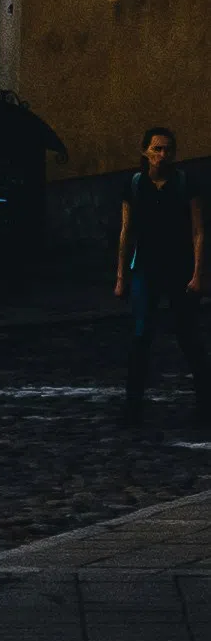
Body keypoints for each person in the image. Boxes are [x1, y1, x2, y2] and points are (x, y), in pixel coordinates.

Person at [114, 125, 207, 422]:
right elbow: (126, 232)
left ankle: (205, 404)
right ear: (145, 151)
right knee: (141, 336)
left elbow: (198, 230)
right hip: (146, 269)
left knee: (188, 336)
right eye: (157, 149)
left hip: (179, 270)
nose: (162, 155)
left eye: (167, 149)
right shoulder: (135, 185)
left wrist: (198, 273)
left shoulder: (184, 183)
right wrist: (120, 277)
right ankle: (133, 406)